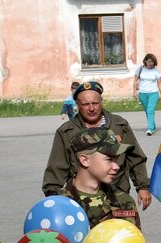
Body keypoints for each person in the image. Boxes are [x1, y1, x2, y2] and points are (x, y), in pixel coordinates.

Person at [42, 80, 152, 209]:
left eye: (95, 103)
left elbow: (135, 157)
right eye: (85, 104)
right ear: (77, 105)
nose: (91, 108)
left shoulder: (119, 125)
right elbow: (57, 165)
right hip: (82, 201)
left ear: (101, 101)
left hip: (117, 196)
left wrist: (143, 186)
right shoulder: (67, 132)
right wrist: (53, 198)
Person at [133, 53, 161, 136]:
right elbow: (135, 80)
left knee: (150, 110)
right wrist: (134, 92)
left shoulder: (156, 71)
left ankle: (150, 128)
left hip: (153, 93)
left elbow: (160, 84)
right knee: (147, 111)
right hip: (142, 93)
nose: (151, 63)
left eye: (153, 62)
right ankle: (153, 126)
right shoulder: (140, 69)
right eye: (149, 61)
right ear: (145, 61)